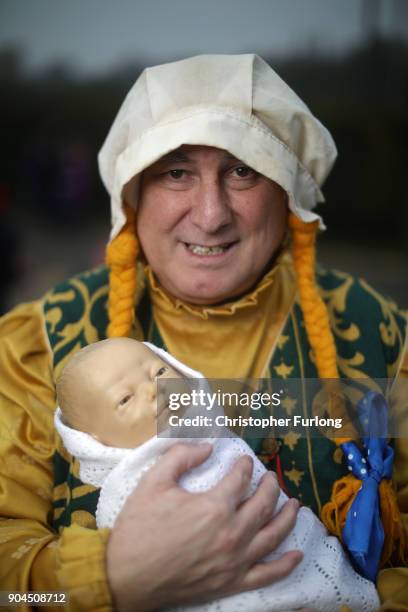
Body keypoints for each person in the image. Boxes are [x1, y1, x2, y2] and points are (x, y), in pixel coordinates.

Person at [0, 53, 406, 611]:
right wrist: (106, 579)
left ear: (286, 192)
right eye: (176, 172)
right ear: (132, 193)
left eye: (243, 170)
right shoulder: (33, 344)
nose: (211, 215)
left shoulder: (380, 334)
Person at [54, 336, 379, 611]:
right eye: (125, 399)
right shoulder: (125, 491)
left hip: (308, 559)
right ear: (94, 440)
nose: (154, 389)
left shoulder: (213, 432)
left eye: (159, 370)